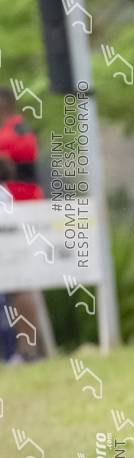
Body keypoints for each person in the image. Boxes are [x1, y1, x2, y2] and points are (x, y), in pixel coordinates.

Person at [0, 85, 47, 364]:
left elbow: (16, 156)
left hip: (21, 216)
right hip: (10, 216)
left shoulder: (18, 130)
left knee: (21, 283)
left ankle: (28, 350)